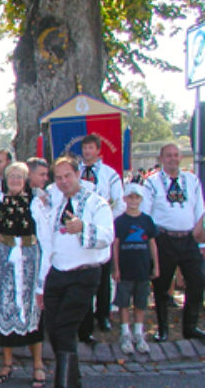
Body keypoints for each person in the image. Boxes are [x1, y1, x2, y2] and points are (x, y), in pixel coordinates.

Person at [30, 156, 114, 388]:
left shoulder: (96, 203)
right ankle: (73, 380)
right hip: (58, 272)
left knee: (65, 330)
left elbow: (107, 236)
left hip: (83, 274)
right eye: (58, 177)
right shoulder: (54, 200)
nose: (64, 181)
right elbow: (47, 237)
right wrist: (42, 285)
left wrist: (83, 227)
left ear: (78, 175)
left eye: (68, 176)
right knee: (54, 330)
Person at [0, 162, 51, 387]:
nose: (16, 180)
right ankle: (7, 362)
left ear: (26, 180)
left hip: (28, 260)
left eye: (20, 176)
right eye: (12, 176)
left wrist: (43, 274)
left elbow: (45, 237)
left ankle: (38, 363)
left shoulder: (36, 202)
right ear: (6, 179)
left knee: (30, 309)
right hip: (1, 261)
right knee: (3, 308)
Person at [142, 143, 205, 342]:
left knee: (196, 282)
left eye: (176, 155)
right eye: (168, 155)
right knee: (161, 286)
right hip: (164, 239)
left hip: (188, 239)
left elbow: (199, 208)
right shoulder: (151, 183)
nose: (173, 159)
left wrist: (199, 231)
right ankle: (162, 329)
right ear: (161, 159)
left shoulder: (192, 179)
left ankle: (191, 327)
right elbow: (146, 213)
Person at [78, 134, 125, 335]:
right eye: (85, 148)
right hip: (79, 231)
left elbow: (120, 203)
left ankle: (103, 315)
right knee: (83, 273)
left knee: (103, 276)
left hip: (101, 232)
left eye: (91, 148)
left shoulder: (109, 174)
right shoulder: (75, 172)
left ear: (98, 151)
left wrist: (104, 222)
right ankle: (84, 317)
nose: (87, 152)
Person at [112, 183, 159, 355]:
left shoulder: (146, 220)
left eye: (136, 197)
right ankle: (125, 332)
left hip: (143, 268)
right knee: (124, 302)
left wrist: (156, 266)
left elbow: (152, 244)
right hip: (125, 269)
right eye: (130, 197)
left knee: (140, 302)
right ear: (124, 199)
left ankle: (139, 333)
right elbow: (115, 245)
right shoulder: (120, 221)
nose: (133, 201)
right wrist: (115, 267)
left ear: (141, 199)